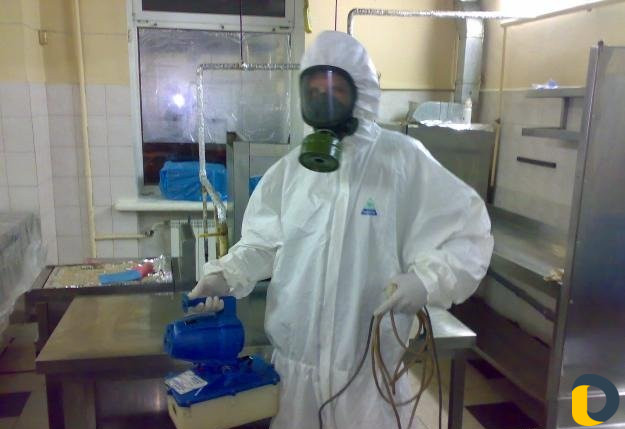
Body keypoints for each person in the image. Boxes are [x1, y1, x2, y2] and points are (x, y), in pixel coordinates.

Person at [188, 31, 494, 429]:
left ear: (361, 93)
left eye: (334, 89)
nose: (323, 101)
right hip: (294, 381)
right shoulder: (292, 171)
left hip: (368, 383)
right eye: (313, 91)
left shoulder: (402, 163)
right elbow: (262, 244)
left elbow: (468, 234)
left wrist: (426, 281)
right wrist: (225, 274)